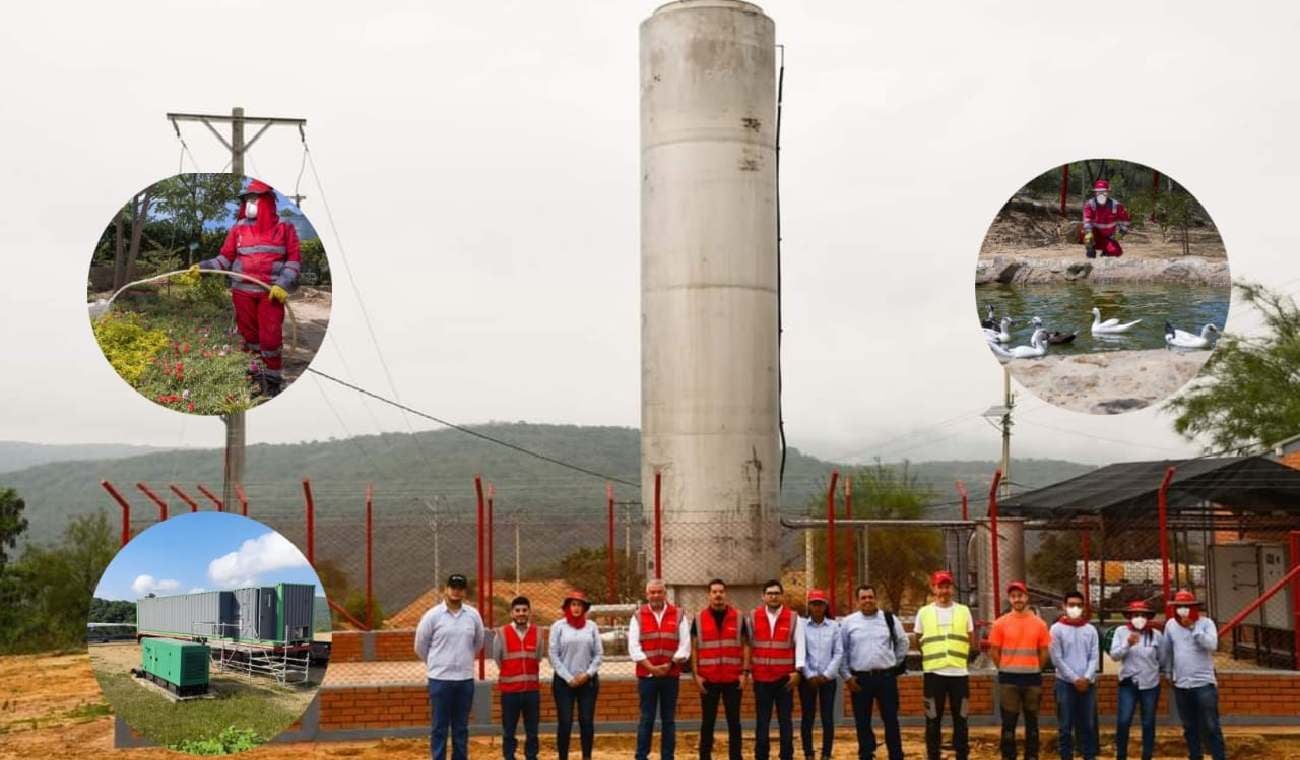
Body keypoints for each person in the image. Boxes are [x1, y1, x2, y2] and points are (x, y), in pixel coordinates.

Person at [195, 178, 302, 397]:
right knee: (249, 337)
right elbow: (224, 259)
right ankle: (254, 374)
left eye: (254, 199)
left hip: (270, 294)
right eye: (248, 200)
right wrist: (203, 267)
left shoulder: (284, 228)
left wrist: (283, 284)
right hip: (242, 293)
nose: (250, 204)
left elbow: (294, 261)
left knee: (270, 339)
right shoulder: (238, 229)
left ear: (267, 202)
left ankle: (272, 380)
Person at [414, 573, 485, 760]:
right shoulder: (432, 616)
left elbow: (478, 643)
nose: (456, 591)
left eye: (460, 588)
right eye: (453, 587)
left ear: (465, 592)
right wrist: (436, 664)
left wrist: (464, 660)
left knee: (461, 727)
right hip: (440, 681)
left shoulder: (473, 616)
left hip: (464, 680)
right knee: (439, 727)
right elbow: (420, 645)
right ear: (446, 589)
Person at [840, 584, 908, 760]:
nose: (867, 601)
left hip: (886, 678)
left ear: (875, 598)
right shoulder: (848, 623)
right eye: (863, 598)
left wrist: (894, 663)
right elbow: (842, 651)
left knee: (891, 719)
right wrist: (847, 677)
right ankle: (866, 754)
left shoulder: (888, 619)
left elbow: (903, 642)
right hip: (860, 680)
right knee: (862, 721)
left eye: (870, 597)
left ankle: (896, 754)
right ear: (857, 601)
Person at [913, 570, 974, 760]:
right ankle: (933, 755)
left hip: (959, 674)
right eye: (940, 586)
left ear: (952, 589)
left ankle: (962, 754)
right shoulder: (923, 612)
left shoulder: (964, 611)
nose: (944, 590)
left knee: (961, 720)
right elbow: (918, 639)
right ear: (934, 588)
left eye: (947, 586)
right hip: (933, 675)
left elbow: (970, 638)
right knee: (932, 719)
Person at [1159, 590, 1227, 760]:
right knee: (1189, 726)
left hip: (1204, 684)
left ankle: (1218, 756)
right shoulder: (1170, 626)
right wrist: (1168, 673)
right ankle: (1195, 755)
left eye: (1186, 606)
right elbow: (1167, 651)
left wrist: (1193, 628)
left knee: (1211, 725)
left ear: (1194, 608)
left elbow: (1212, 645)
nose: (1182, 610)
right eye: (1179, 606)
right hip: (1182, 684)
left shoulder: (1206, 623)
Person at [628, 578, 691, 760]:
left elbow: (684, 645)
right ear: (647, 594)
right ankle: (641, 756)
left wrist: (669, 665)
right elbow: (633, 647)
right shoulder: (638, 615)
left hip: (670, 676)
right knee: (646, 718)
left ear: (665, 594)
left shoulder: (678, 614)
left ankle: (667, 756)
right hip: (647, 677)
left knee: (668, 720)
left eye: (659, 592)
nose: (656, 595)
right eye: (652, 592)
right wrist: (651, 668)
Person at [988, 581, 1051, 760]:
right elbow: (994, 651)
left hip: (1032, 680)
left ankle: (1031, 756)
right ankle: (1009, 756)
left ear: (1027, 597)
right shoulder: (1000, 624)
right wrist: (1005, 667)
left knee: (1032, 723)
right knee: (1008, 723)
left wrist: (1036, 668)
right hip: (1009, 680)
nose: (1017, 599)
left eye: (1020, 595)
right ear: (1010, 599)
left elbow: (1044, 651)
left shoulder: (1039, 624)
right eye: (1014, 596)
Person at [691, 578, 750, 760]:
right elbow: (693, 648)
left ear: (725, 594)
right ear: (709, 595)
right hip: (708, 680)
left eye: (721, 591)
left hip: (733, 680)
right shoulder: (699, 619)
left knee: (734, 723)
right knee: (707, 723)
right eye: (714, 592)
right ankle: (705, 756)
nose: (718, 595)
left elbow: (746, 645)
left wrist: (745, 673)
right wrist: (696, 676)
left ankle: (735, 757)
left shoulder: (738, 617)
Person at [751, 579, 805, 760]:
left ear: (782, 596)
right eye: (769, 593)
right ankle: (761, 756)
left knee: (785, 721)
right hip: (761, 679)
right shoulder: (753, 617)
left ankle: (786, 755)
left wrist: (798, 671)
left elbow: (800, 646)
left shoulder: (793, 618)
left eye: (776, 593)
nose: (773, 597)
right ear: (763, 596)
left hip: (785, 679)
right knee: (762, 722)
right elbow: (747, 645)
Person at [549, 590, 603, 760]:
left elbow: (599, 654)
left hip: (587, 682)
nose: (576, 608)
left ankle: (586, 756)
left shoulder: (592, 627)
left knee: (586, 721)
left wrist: (587, 674)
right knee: (565, 722)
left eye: (580, 605)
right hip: (564, 683)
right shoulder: (558, 627)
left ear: (584, 608)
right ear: (567, 607)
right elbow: (553, 655)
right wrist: (568, 677)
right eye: (573, 604)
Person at [1108, 600, 1165, 760]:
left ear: (1148, 617)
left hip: (1150, 684)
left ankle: (1147, 755)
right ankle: (1121, 755)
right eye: (1136, 615)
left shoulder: (1156, 635)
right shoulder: (1121, 632)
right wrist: (1127, 644)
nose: (1139, 618)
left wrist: (1160, 672)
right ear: (1129, 616)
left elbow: (1163, 658)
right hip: (1128, 684)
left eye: (1142, 615)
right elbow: (1114, 655)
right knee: (1124, 721)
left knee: (1148, 722)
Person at [492, 596, 543, 760]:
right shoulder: (501, 633)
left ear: (529, 612)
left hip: (531, 691)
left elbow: (539, 657)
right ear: (511, 613)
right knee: (509, 730)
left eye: (524, 610)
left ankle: (531, 756)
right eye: (517, 610)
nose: (521, 613)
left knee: (532, 731)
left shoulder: (538, 633)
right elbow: (497, 658)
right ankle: (509, 756)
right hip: (510, 692)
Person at [1049, 591, 1099, 760]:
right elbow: (1057, 658)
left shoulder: (1090, 630)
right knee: (1065, 726)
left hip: (1088, 684)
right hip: (1065, 684)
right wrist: (1075, 679)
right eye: (1071, 605)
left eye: (1079, 605)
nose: (1075, 608)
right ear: (1064, 606)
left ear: (1083, 607)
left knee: (1088, 725)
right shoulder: (1056, 629)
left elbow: (1094, 657)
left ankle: (1089, 756)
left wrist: (1086, 677)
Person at [799, 589, 842, 760]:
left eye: (820, 604)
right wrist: (809, 674)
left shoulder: (834, 627)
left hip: (828, 679)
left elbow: (838, 653)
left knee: (827, 718)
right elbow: (800, 651)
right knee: (807, 717)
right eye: (814, 604)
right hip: (807, 679)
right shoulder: (801, 626)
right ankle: (808, 753)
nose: (817, 607)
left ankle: (826, 753)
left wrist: (826, 675)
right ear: (808, 606)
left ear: (826, 606)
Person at [1082, 178, 1131, 258]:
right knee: (1086, 237)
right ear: (1095, 193)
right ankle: (1091, 251)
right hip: (1094, 235)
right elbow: (1087, 221)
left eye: (1104, 192)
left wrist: (1121, 232)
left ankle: (1105, 253)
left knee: (1115, 252)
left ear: (1108, 193)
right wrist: (1088, 232)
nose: (1101, 194)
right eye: (1098, 192)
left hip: (1108, 237)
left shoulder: (1116, 205)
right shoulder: (1090, 204)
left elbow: (1125, 220)